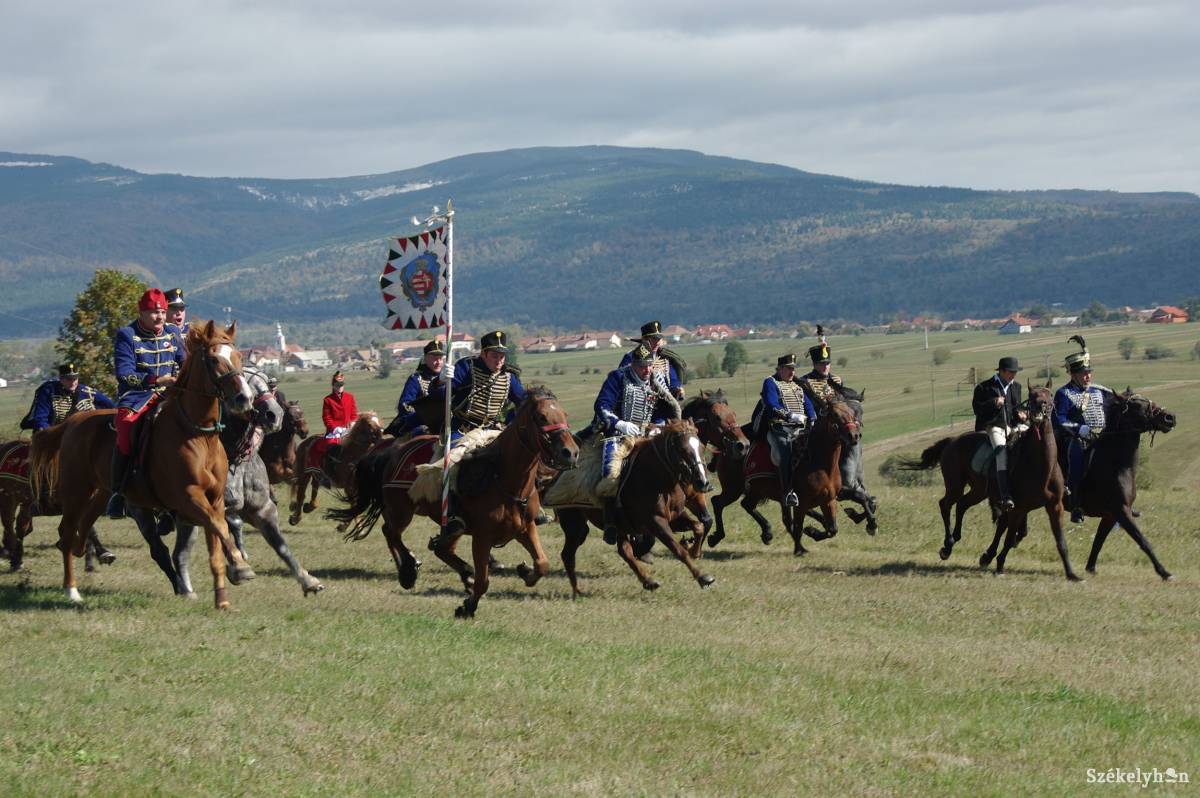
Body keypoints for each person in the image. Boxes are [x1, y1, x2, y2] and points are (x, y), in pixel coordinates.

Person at [428, 330, 525, 546]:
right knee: (451, 463)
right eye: (494, 355)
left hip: (492, 430)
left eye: (502, 356)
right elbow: (440, 396)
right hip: (462, 429)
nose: (499, 360)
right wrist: (441, 381)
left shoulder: (509, 376)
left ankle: (529, 508)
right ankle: (453, 515)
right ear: (483, 354)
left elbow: (523, 401)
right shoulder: (465, 367)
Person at [106, 288, 185, 518]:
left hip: (172, 394)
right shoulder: (127, 335)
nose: (160, 316)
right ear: (142, 312)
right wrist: (157, 380)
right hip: (137, 397)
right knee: (125, 431)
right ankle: (118, 492)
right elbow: (125, 375)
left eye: (162, 311)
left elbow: (185, 362)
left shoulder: (172, 332)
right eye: (153, 312)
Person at [592, 342, 676, 544]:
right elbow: (602, 405)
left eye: (650, 365)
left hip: (647, 435)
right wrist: (620, 423)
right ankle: (611, 521)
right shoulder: (618, 377)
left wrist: (659, 424)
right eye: (642, 366)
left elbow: (664, 409)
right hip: (618, 434)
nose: (647, 370)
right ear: (633, 365)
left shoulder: (656, 381)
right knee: (611, 474)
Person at [1053, 337, 1112, 523]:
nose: (1088, 376)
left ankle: (1122, 500)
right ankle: (1076, 505)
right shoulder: (1064, 394)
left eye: (1089, 372)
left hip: (1102, 437)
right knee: (1076, 458)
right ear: (1073, 374)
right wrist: (1080, 429)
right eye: (1083, 373)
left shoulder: (1098, 391)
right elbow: (1059, 419)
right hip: (1075, 438)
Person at [751, 353, 816, 507]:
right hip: (779, 428)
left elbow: (807, 404)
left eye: (793, 369)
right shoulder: (770, 382)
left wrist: (812, 418)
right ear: (780, 369)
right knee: (785, 452)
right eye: (788, 369)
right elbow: (771, 404)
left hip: (800, 428)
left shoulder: (796, 385)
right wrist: (790, 416)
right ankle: (788, 492)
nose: (792, 372)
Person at [972, 356, 1027, 512]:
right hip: (993, 427)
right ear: (1001, 371)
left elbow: (1016, 409)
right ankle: (1005, 495)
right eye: (1010, 372)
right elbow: (977, 409)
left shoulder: (1016, 386)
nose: (1013, 375)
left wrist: (1023, 415)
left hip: (1013, 426)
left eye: (1015, 372)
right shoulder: (984, 388)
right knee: (1001, 452)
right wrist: (994, 403)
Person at [26, 363, 114, 432]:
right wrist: (49, 434)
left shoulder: (88, 392)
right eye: (69, 379)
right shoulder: (48, 391)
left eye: (75, 379)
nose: (72, 383)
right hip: (55, 435)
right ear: (61, 379)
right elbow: (40, 418)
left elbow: (111, 407)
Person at [386, 339, 445, 437]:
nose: (438, 362)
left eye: (440, 359)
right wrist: (422, 416)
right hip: (417, 423)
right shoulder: (416, 379)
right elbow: (405, 405)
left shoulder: (448, 379)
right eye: (434, 359)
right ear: (425, 359)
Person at [618, 320, 685, 401]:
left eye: (659, 339)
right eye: (653, 339)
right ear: (644, 340)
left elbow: (673, 381)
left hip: (662, 404)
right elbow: (621, 379)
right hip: (637, 403)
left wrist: (678, 390)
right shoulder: (630, 357)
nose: (657, 342)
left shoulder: (665, 359)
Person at [798, 341, 844, 409]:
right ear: (814, 364)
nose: (825, 367)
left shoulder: (837, 380)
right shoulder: (804, 381)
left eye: (827, 363)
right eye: (822, 364)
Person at [321, 371, 358, 441]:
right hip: (334, 431)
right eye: (337, 385)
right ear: (333, 385)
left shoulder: (350, 397)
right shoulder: (328, 400)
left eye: (341, 385)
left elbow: (354, 414)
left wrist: (353, 423)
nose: (340, 387)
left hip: (349, 429)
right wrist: (335, 428)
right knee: (333, 446)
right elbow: (327, 418)